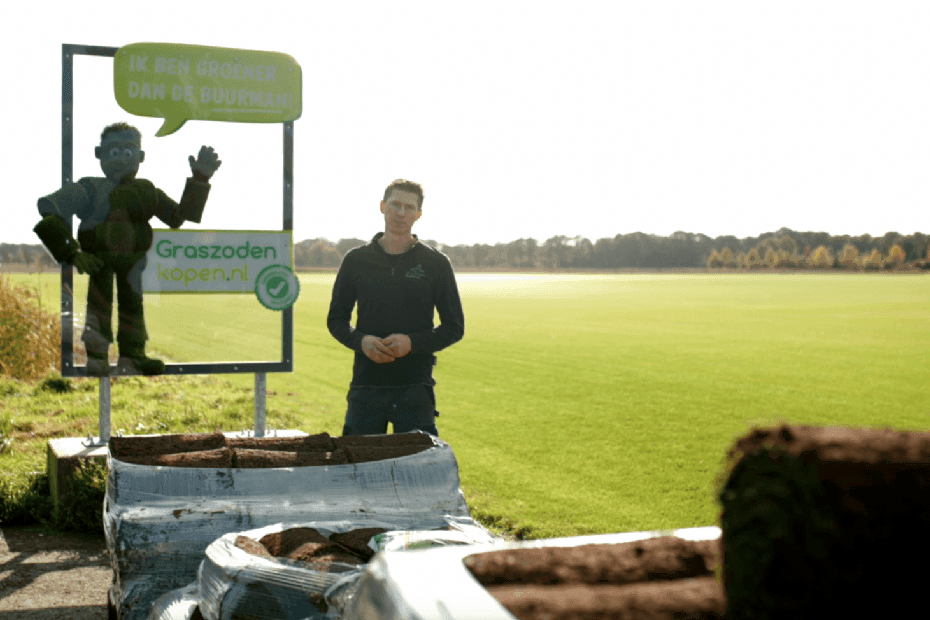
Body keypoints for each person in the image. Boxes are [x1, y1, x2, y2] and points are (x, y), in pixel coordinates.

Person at [34, 122, 221, 376]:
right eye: (113, 152)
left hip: (133, 263)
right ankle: (97, 357)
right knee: (99, 306)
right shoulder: (90, 188)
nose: (122, 159)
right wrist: (72, 252)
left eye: (129, 152)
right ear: (98, 154)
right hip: (100, 262)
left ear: (141, 157)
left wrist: (199, 180)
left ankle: (133, 355)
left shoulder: (146, 191)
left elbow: (177, 217)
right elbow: (49, 207)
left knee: (133, 306)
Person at [327, 179, 464, 436]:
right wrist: (361, 341)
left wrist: (411, 343)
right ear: (382, 206)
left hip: (415, 388)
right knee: (358, 470)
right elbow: (336, 320)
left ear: (419, 214)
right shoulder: (356, 260)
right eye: (395, 205)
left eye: (409, 207)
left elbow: (454, 327)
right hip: (366, 386)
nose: (401, 213)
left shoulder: (436, 263)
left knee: (418, 473)